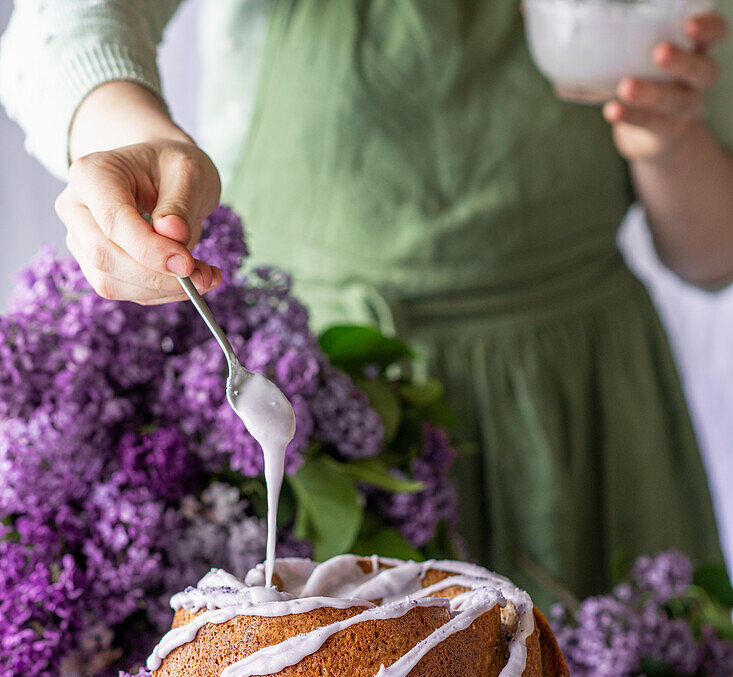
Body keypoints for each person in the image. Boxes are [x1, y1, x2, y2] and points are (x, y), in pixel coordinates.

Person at [2, 1, 732, 601]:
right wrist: (133, 141)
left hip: (583, 409)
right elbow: (67, 22)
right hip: (318, 407)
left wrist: (665, 138)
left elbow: (710, 252)